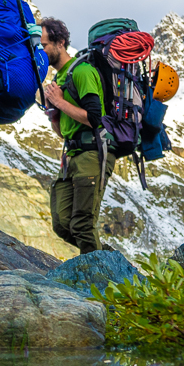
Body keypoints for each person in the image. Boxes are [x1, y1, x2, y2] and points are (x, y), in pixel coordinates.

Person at [39, 18, 112, 254]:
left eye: (44, 45)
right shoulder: (58, 80)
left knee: (82, 224)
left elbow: (94, 118)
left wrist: (59, 101)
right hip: (71, 155)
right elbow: (63, 132)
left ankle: (99, 284)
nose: (41, 52)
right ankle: (108, 259)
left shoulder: (82, 71)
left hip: (92, 153)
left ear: (60, 43)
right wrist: (54, 114)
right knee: (62, 223)